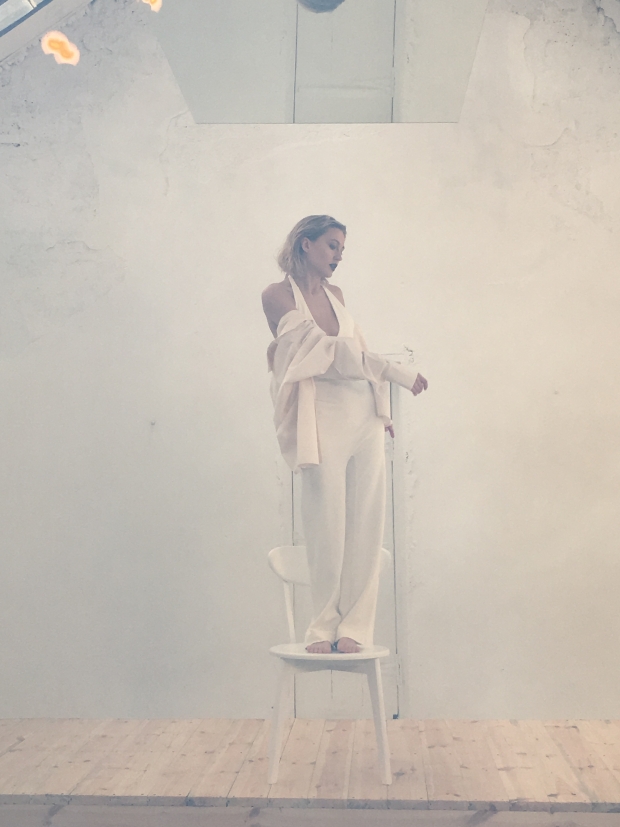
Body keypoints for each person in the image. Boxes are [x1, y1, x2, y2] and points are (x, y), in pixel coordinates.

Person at [263, 215, 427, 654]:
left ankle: (356, 626)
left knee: (366, 525)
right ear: (306, 244)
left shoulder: (336, 296)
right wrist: (393, 371)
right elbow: (321, 352)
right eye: (332, 245)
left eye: (341, 248)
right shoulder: (277, 295)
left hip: (363, 417)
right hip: (321, 419)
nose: (339, 256)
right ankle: (322, 627)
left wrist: (382, 409)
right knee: (326, 526)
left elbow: (357, 351)